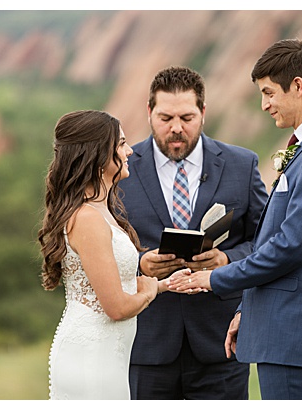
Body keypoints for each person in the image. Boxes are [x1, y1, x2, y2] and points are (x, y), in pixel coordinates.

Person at [170, 39, 302, 400]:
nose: (264, 104)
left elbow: (290, 247)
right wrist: (248, 310)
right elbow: (273, 238)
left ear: (299, 86)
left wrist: (214, 279)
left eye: (269, 92)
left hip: (293, 329)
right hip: (278, 327)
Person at [118, 66, 266, 399]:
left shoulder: (242, 165)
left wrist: (227, 258)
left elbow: (267, 240)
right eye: (165, 117)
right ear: (149, 112)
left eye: (186, 117)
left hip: (221, 344)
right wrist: (141, 263)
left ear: (203, 113)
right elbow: (102, 244)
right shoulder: (121, 169)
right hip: (146, 344)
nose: (175, 128)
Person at [40, 110, 170, 400]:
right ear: (99, 155)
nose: (130, 150)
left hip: (108, 355)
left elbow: (114, 283)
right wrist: (149, 293)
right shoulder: (86, 217)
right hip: (91, 356)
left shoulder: (101, 209)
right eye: (121, 144)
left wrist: (163, 284)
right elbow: (116, 307)